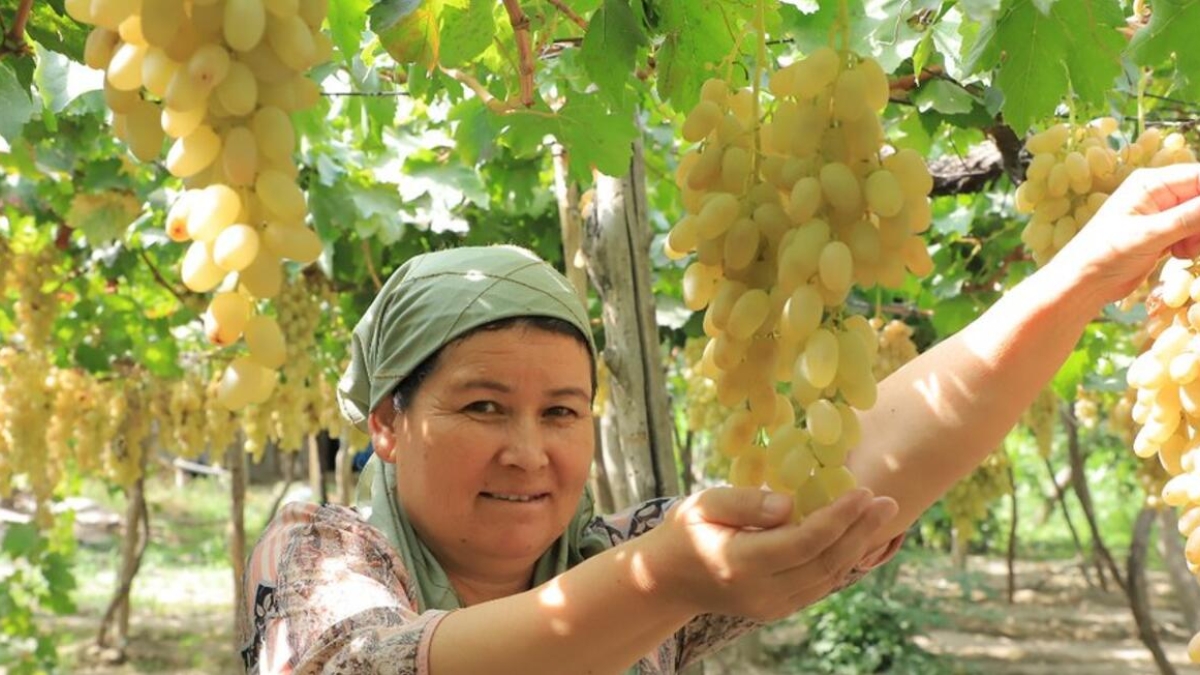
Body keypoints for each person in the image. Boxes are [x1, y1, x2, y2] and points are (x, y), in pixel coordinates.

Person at [239, 163, 1200, 675]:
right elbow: (369, 669)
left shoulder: (619, 562)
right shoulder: (318, 552)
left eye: (562, 410)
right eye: (482, 406)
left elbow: (884, 446)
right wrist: (663, 578)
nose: (529, 450)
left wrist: (1081, 276)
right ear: (387, 425)